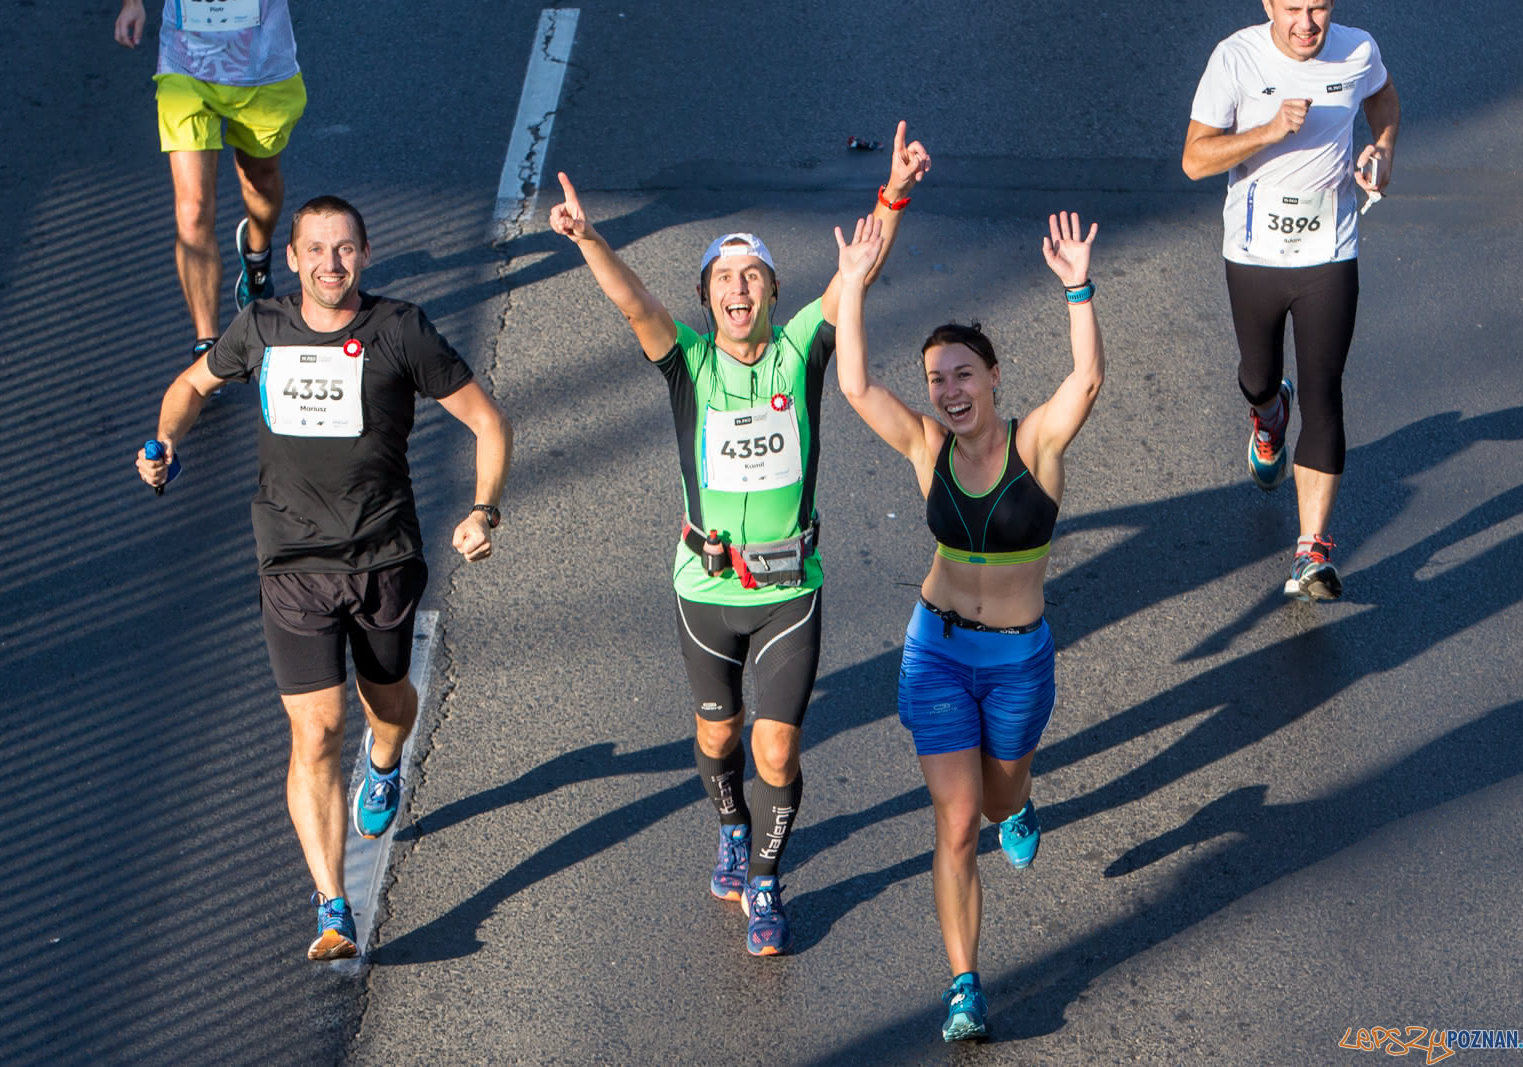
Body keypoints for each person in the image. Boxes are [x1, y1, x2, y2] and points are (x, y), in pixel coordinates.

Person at [548, 123, 931, 956]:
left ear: (770, 290)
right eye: (723, 277)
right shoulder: (688, 361)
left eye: (751, 274)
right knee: (719, 737)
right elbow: (633, 303)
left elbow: (855, 270)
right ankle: (729, 823)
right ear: (708, 297)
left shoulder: (799, 350)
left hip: (790, 589)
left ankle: (765, 879)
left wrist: (893, 192)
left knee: (777, 743)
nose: (738, 288)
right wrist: (589, 240)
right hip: (706, 590)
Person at [135, 195, 512, 959]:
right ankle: (331, 904)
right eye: (315, 250)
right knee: (315, 730)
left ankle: (383, 763)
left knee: (386, 705)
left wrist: (484, 511)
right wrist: (166, 440)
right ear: (295, 259)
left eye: (344, 250)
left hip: (384, 557)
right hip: (292, 562)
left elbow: (487, 420)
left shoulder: (399, 329)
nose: (329, 264)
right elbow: (189, 387)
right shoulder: (263, 328)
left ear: (365, 256)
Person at [834, 211, 1104, 1040]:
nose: (947, 391)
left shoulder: (1037, 445)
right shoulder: (924, 446)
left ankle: (1019, 807)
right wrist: (852, 286)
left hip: (1019, 661)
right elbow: (853, 386)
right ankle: (964, 985)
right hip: (937, 653)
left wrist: (1077, 290)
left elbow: (1086, 380)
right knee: (954, 821)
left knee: (997, 802)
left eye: (962, 375)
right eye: (936, 379)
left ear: (992, 377)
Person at [1182, 0, 1398, 600]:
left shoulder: (1357, 50)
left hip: (1330, 251)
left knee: (1325, 391)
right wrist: (1269, 130)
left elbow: (1382, 99)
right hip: (1253, 255)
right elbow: (1195, 158)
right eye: (1294, 8)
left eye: (1320, 8)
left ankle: (1312, 552)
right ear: (1268, 6)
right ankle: (1269, 413)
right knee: (1258, 378)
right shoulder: (1237, 57)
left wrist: (1381, 150)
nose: (1307, 23)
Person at [116, 0, 306, 360]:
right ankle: (209, 345)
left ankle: (257, 258)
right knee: (193, 209)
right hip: (186, 67)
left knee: (260, 181)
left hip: (262, 63)